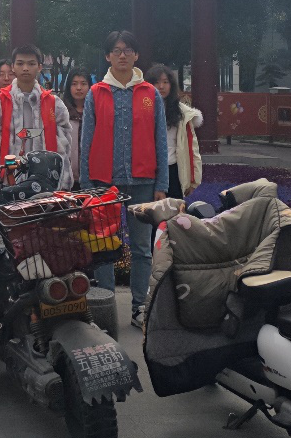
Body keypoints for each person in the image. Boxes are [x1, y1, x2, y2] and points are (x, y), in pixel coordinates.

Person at [79, 30, 168, 324]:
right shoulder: (96, 93)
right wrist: (86, 184)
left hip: (143, 183)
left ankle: (139, 307)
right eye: (116, 50)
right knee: (104, 247)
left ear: (136, 55)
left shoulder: (150, 94)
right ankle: (105, 308)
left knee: (142, 248)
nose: (122, 55)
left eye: (128, 50)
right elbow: (86, 140)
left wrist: (161, 184)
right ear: (107, 56)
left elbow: (160, 140)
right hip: (104, 183)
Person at [0, 45, 73, 189]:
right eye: (20, 63)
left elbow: (64, 150)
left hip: (47, 185)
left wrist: (63, 184)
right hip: (8, 185)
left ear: (39, 67)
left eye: (31, 64)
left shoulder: (55, 105)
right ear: (13, 67)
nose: (26, 68)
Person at [146, 64, 202, 199]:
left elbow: (192, 147)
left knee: (174, 210)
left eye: (165, 82)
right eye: (156, 82)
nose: (161, 86)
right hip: (149, 169)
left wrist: (193, 180)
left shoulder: (182, 113)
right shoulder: (143, 110)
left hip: (174, 168)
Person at [64, 71, 91, 189]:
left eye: (83, 83)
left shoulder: (95, 111)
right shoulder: (61, 111)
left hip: (91, 177)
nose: (79, 88)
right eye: (74, 84)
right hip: (66, 177)